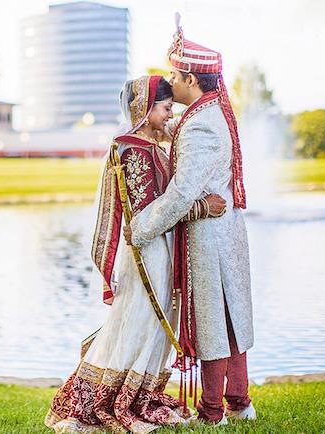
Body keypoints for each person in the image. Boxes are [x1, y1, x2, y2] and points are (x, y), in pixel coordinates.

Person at [44, 75, 227, 433]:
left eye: (171, 107)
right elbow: (145, 215)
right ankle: (110, 397)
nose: (168, 115)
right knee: (140, 320)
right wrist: (203, 207)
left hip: (159, 248)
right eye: (163, 108)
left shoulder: (149, 144)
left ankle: (139, 392)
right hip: (147, 252)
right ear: (143, 109)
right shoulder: (133, 149)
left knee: (149, 324)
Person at [123, 18, 256, 426]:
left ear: (190, 80)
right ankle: (239, 403)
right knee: (228, 317)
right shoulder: (207, 113)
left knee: (214, 321)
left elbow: (182, 193)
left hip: (208, 238)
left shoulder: (200, 124)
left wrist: (141, 227)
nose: (169, 84)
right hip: (219, 232)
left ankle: (213, 412)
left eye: (174, 77)